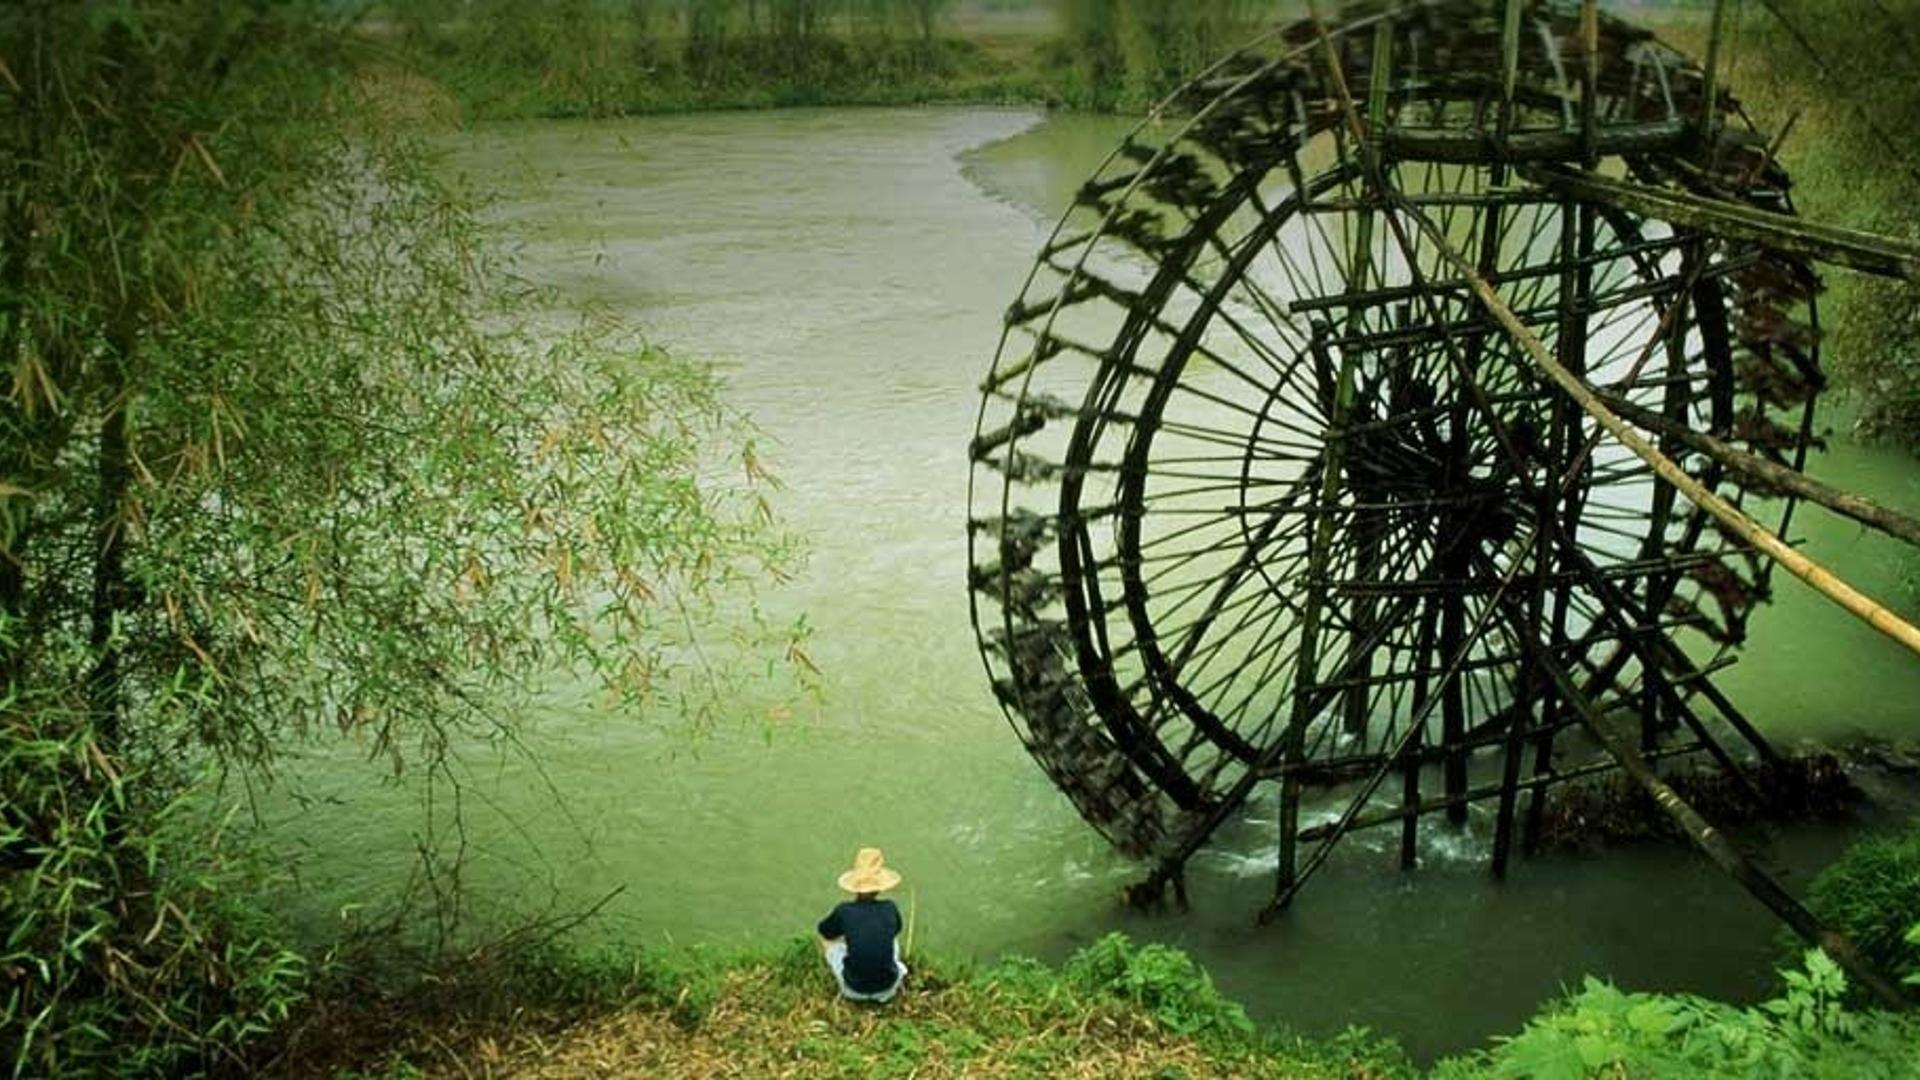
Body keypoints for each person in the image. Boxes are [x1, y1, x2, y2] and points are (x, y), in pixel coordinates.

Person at [816, 847, 907, 1003]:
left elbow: (823, 931)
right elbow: (897, 930)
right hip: (888, 988)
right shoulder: (890, 907)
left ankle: (852, 983)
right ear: (880, 886)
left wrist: (848, 935)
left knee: (827, 942)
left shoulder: (844, 910)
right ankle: (893, 973)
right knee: (891, 940)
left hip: (852, 990)